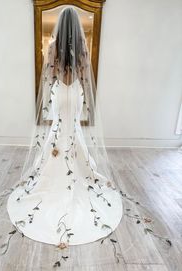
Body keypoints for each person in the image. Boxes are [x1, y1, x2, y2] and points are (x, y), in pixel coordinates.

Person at [7, 6, 123, 245]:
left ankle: (51, 172)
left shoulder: (52, 49)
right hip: (75, 93)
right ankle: (80, 170)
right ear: (77, 25)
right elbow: (84, 78)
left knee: (57, 130)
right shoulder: (82, 49)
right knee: (74, 130)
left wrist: (54, 86)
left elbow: (48, 77)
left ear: (60, 26)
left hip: (60, 93)